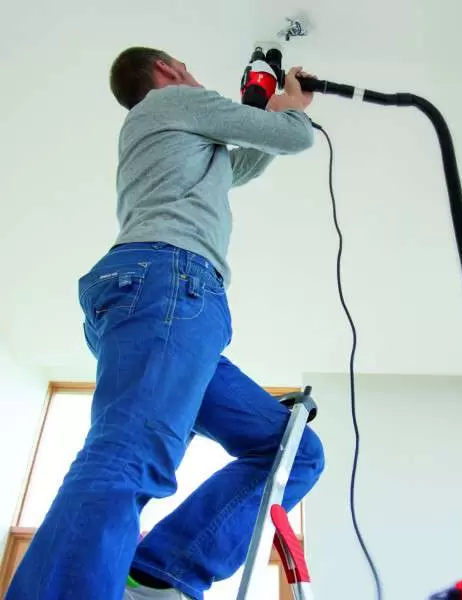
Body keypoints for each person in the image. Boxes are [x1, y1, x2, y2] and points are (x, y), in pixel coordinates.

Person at [7, 46, 325, 600]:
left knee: (295, 451)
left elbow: (244, 162)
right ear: (166, 69)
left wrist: (275, 113)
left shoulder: (175, 133)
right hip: (168, 286)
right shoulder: (172, 100)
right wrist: (292, 108)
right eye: (187, 67)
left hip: (169, 302)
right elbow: (293, 138)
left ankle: (160, 573)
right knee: (129, 452)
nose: (193, 75)